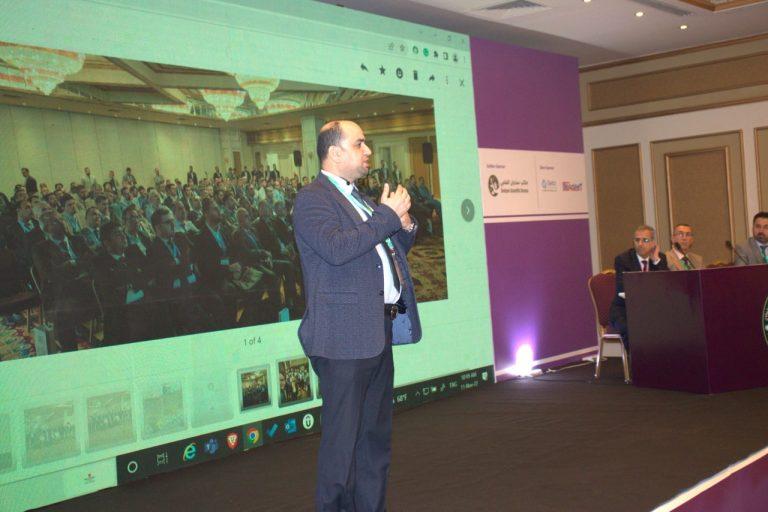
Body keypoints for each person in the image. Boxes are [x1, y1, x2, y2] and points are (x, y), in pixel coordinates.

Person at [293, 120, 422, 511]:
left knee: (373, 444)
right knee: (342, 450)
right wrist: (385, 216)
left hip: (376, 333)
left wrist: (403, 224)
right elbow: (336, 249)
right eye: (359, 144)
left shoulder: (359, 199)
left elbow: (383, 249)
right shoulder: (313, 198)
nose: (368, 151)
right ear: (334, 152)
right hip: (343, 340)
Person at [609, 225, 669, 353]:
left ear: (653, 243)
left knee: (670, 326)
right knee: (634, 331)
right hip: (625, 310)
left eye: (645, 240)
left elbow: (666, 286)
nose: (640, 244)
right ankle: (636, 364)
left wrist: (656, 260)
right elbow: (623, 288)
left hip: (651, 310)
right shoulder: (623, 260)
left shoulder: (660, 258)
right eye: (637, 240)